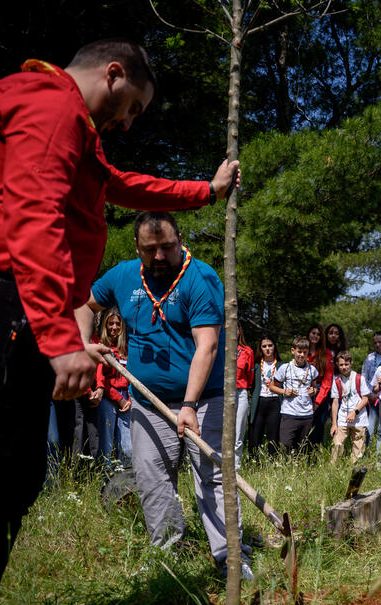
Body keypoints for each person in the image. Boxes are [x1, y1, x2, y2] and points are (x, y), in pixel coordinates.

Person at [0, 38, 239, 605]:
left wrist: (205, 193)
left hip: (14, 307)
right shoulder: (48, 102)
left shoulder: (75, 129)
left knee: (16, 474)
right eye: (133, 105)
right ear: (114, 73)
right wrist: (61, 336)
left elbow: (118, 184)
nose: (131, 121)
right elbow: (31, 209)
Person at [83, 211, 252, 580]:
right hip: (147, 401)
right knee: (151, 476)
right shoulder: (124, 275)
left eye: (167, 247)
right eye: (150, 249)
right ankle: (167, 551)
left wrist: (189, 405)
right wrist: (84, 344)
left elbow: (206, 347)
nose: (159, 256)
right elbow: (84, 305)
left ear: (180, 240)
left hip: (204, 399)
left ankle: (231, 558)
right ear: (136, 247)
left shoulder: (201, 278)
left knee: (213, 476)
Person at [95, 307, 132, 470]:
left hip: (127, 399)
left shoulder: (126, 348)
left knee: (127, 446)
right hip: (109, 397)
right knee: (107, 443)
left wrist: (129, 397)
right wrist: (120, 399)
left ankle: (125, 483)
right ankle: (105, 481)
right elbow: (101, 379)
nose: (114, 327)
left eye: (118, 324)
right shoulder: (101, 347)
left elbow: (133, 376)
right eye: (110, 324)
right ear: (105, 325)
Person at [271, 336, 319, 455]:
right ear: (293, 351)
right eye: (299, 352)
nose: (301, 355)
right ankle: (286, 468)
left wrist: (313, 391)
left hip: (306, 414)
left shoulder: (312, 369)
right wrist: (284, 391)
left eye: (304, 352)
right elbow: (272, 386)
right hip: (289, 413)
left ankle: (298, 470)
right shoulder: (285, 368)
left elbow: (315, 387)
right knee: (285, 444)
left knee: (302, 447)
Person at [329, 351, 370, 464]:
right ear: (337, 364)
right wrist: (334, 423)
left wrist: (354, 412)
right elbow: (335, 402)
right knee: (337, 444)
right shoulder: (337, 381)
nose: (344, 367)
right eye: (341, 364)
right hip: (343, 419)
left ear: (351, 363)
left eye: (346, 364)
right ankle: (332, 472)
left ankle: (354, 472)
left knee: (358, 449)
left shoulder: (359, 378)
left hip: (359, 419)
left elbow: (365, 399)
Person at [248, 336, 281, 458]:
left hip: (275, 402)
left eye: (270, 345)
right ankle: (253, 461)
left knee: (273, 434)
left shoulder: (281, 365)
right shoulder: (256, 365)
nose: (267, 349)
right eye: (264, 346)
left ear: (274, 347)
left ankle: (273, 461)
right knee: (255, 433)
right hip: (260, 401)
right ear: (260, 348)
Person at [306, 323, 334, 448]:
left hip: (320, 391)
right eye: (313, 333)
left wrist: (317, 401)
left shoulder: (326, 354)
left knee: (317, 426)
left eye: (318, 334)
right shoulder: (302, 351)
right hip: (303, 390)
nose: (315, 336)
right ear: (308, 334)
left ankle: (314, 456)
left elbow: (328, 380)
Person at [360, 330, 381, 452]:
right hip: (371, 399)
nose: (377, 345)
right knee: (368, 429)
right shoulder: (370, 357)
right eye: (375, 343)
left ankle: (378, 458)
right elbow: (364, 377)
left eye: (380, 342)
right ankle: (365, 454)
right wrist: (369, 394)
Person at [234, 324, 254, 466]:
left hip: (241, 393)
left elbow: (250, 375)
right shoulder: (220, 347)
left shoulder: (247, 351)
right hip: (221, 394)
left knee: (238, 433)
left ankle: (236, 469)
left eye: (235, 328)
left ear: (239, 331)